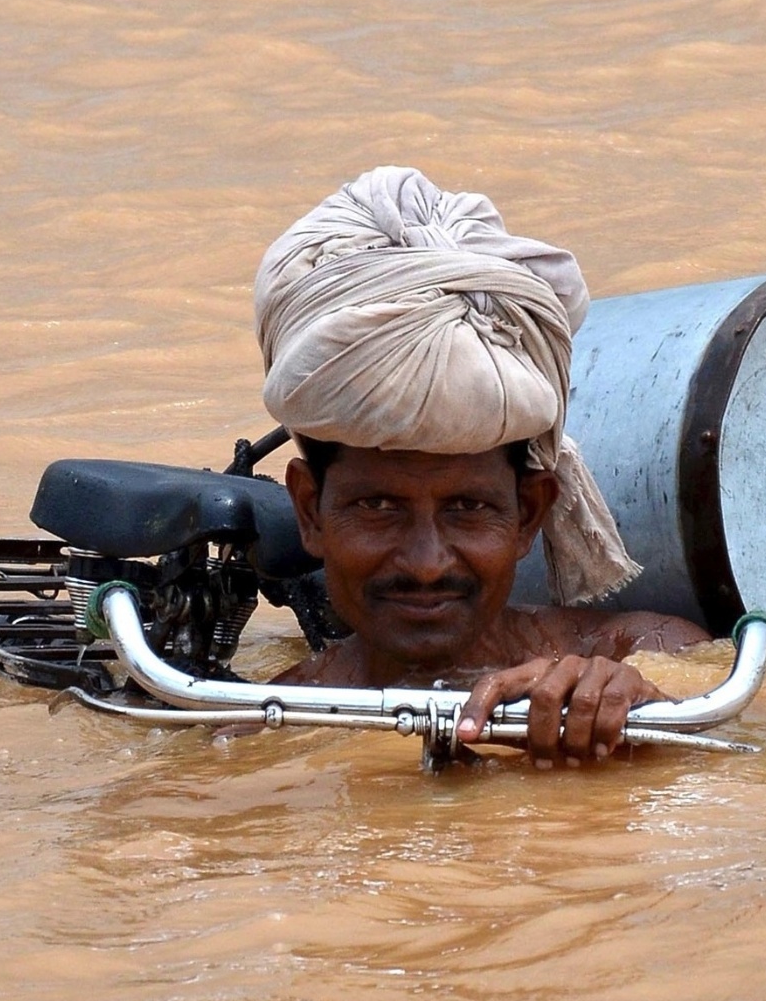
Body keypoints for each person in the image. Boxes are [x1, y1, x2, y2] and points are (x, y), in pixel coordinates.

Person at [259, 166, 708, 768]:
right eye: (378, 507)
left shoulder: (644, 655)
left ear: (529, 514)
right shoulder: (260, 725)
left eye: (468, 509)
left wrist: (652, 730)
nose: (426, 564)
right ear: (309, 511)